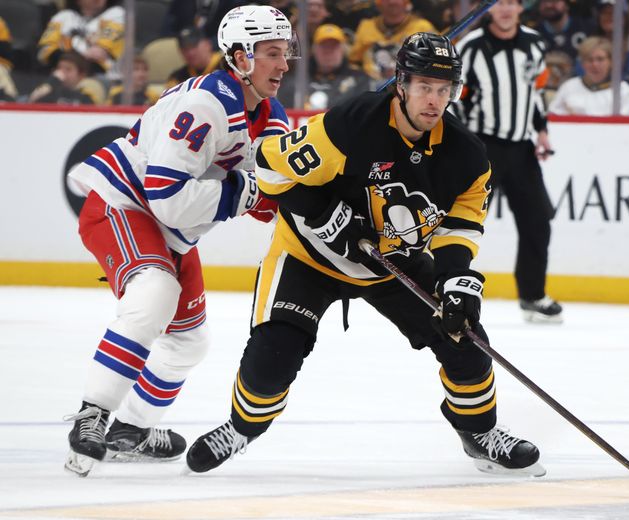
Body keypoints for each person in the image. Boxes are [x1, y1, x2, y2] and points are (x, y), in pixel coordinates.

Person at [185, 32, 545, 477]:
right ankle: (241, 428)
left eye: (442, 89)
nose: (433, 100)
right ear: (401, 84)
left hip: (392, 262)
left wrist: (456, 279)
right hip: (307, 256)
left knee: (467, 339)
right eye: (423, 87)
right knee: (272, 358)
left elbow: (460, 225)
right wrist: (324, 213)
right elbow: (271, 169)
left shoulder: (467, 157)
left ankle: (479, 432)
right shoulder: (350, 125)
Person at [62, 5, 296, 477]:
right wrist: (246, 191)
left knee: (189, 341)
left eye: (287, 52)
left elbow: (274, 195)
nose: (284, 64)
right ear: (240, 58)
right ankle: (93, 415)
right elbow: (167, 198)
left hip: (172, 231)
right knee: (155, 294)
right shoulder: (204, 105)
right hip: (123, 205)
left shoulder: (270, 114)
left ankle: (130, 430)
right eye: (272, 53)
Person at [454, 0, 563, 324]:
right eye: (498, 2)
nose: (505, 8)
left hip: (521, 146)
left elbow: (533, 93)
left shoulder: (534, 43)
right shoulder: (470, 47)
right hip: (482, 146)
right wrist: (463, 144)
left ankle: (532, 296)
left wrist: (541, 131)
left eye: (512, 2)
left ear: (520, 7)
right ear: (487, 8)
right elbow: (457, 98)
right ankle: (441, 285)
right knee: (461, 220)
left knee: (537, 221)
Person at [278, 23, 373, 109]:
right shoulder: (295, 80)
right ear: (314, 50)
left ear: (343, 50)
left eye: (334, 46)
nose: (328, 51)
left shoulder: (359, 80)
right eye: (323, 46)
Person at [549, 36, 629, 114]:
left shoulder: (624, 91)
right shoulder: (569, 87)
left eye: (600, 59)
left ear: (611, 62)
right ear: (582, 63)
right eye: (589, 60)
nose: (595, 65)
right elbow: (553, 117)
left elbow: (626, 127)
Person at [37, 0, 125, 80]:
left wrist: (66, 57)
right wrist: (73, 63)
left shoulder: (117, 14)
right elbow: (45, 52)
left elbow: (98, 56)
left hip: (101, 80)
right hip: (61, 78)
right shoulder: (63, 17)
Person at [349, 0, 436, 80]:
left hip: (410, 86)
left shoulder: (423, 27)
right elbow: (353, 62)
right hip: (372, 88)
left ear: (406, 2)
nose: (392, 2)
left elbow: (440, 59)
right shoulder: (366, 26)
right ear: (378, 3)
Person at [28, 51, 96, 105]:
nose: (61, 72)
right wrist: (53, 81)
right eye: (59, 68)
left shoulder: (86, 97)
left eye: (68, 69)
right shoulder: (49, 93)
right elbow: (32, 101)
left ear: (81, 75)